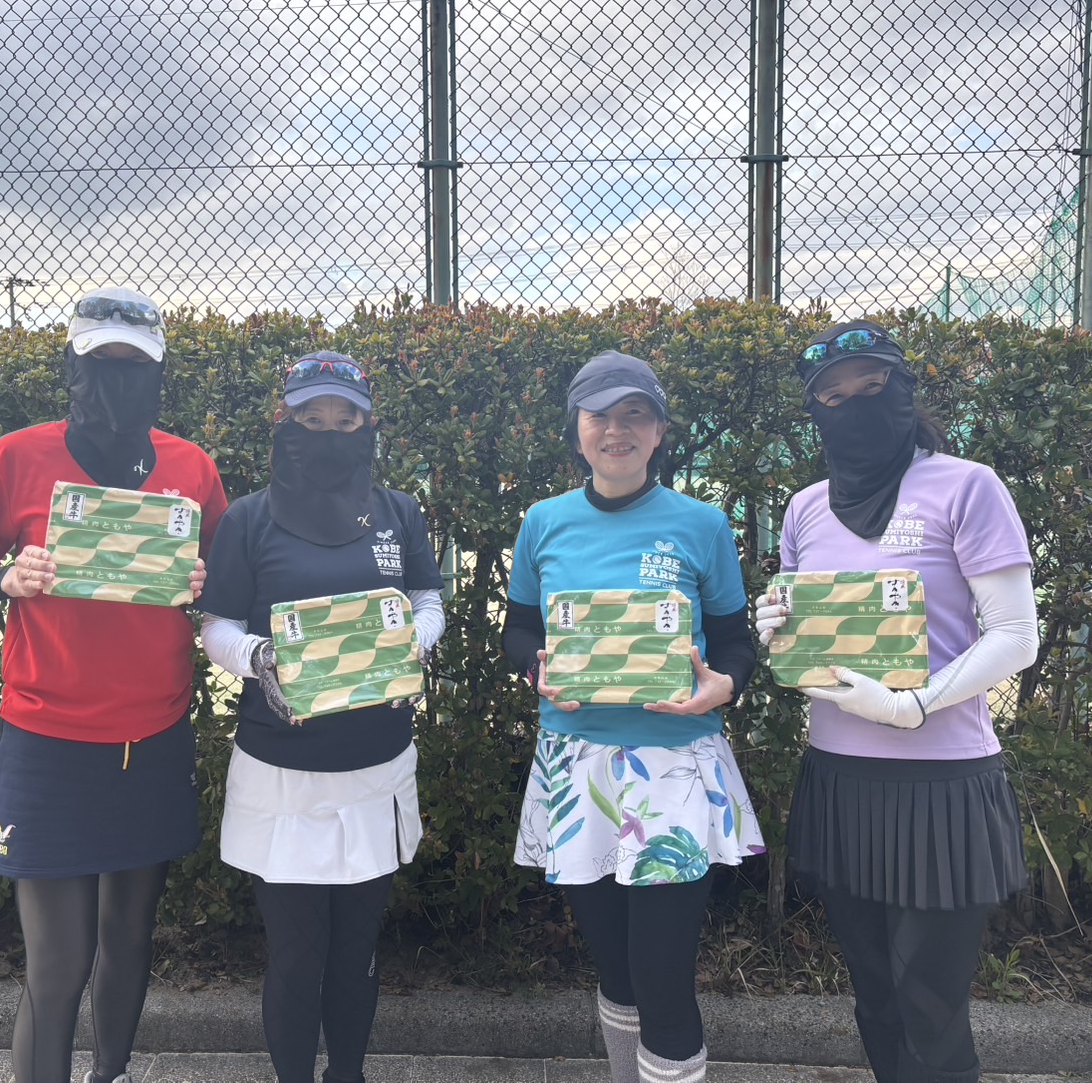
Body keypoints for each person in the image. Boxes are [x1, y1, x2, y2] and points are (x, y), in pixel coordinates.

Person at [0, 286, 228, 1083]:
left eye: (134, 365)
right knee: (58, 964)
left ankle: (111, 1073)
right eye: (101, 362)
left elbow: (224, 582)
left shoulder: (191, 467)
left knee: (128, 940)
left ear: (159, 373)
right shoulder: (15, 457)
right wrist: (8, 577)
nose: (116, 380)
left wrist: (203, 582)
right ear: (71, 364)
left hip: (152, 737)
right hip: (47, 740)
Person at [754, 320, 1039, 1083]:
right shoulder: (804, 507)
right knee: (875, 1001)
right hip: (840, 779)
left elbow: (1015, 635)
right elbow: (806, 635)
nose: (854, 406)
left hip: (941, 785)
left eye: (872, 386)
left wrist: (914, 707)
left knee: (930, 1011)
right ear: (814, 412)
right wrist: (776, 628)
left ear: (904, 390)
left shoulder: (966, 486)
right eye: (832, 397)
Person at [500, 350, 764, 1083]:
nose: (616, 430)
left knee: (661, 977)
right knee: (614, 969)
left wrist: (724, 686)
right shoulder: (543, 522)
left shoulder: (701, 524)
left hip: (673, 768)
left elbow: (735, 642)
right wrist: (537, 669)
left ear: (659, 432)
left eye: (634, 415)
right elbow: (519, 630)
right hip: (576, 766)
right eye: (599, 417)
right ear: (576, 431)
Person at [196, 351, 446, 1083]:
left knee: (357, 952)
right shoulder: (247, 518)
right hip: (281, 772)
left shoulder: (399, 512)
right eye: (312, 418)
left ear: (368, 426)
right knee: (296, 957)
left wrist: (413, 644)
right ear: (285, 423)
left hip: (377, 765)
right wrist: (260, 659)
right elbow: (216, 626)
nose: (329, 432)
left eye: (345, 419)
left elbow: (427, 600)